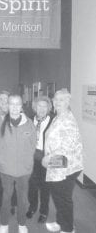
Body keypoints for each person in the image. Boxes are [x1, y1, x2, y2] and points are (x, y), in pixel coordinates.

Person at [42, 89, 83, 233]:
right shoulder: (58, 116)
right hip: (58, 165)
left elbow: (66, 150)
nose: (57, 102)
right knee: (58, 196)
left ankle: (67, 228)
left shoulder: (67, 120)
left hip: (67, 166)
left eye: (61, 100)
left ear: (68, 102)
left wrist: (47, 161)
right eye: (55, 99)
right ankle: (61, 222)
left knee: (63, 198)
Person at [0, 94, 37, 233]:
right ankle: (4, 223)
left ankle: (22, 223)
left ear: (21, 106)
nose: (14, 107)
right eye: (11, 104)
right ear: (7, 105)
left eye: (17, 104)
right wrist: (1, 161)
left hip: (24, 170)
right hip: (6, 169)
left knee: (22, 198)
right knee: (6, 196)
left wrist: (28, 162)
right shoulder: (0, 123)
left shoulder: (29, 123)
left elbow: (32, 145)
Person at [26, 96, 53, 223]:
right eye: (39, 106)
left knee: (45, 186)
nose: (42, 109)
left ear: (48, 108)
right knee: (32, 185)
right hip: (31, 157)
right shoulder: (29, 120)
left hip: (46, 158)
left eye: (44, 106)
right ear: (35, 108)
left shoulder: (53, 121)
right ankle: (32, 207)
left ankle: (44, 211)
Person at [0, 91, 17, 214]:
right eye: (1, 99)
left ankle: (11, 203)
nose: (3, 102)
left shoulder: (16, 113)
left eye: (6, 99)